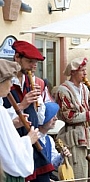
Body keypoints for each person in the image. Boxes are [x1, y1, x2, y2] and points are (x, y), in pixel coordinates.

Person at [3, 41, 54, 182]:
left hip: (34, 142)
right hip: (14, 144)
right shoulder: (4, 81)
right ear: (17, 57)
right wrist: (23, 104)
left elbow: (41, 118)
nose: (33, 66)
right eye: (29, 61)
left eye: (35, 63)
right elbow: (2, 116)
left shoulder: (36, 83)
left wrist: (39, 102)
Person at [55, 57, 90, 182]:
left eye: (85, 70)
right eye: (82, 70)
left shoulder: (85, 88)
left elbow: (88, 108)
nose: (85, 73)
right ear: (72, 72)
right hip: (73, 136)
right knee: (79, 174)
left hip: (88, 134)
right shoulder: (63, 90)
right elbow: (68, 116)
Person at [0, 59, 40, 182]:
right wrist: (29, 139)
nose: (11, 85)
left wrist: (12, 124)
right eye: (9, 81)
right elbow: (10, 152)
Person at [39, 102, 71, 180]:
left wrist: (62, 155)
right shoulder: (33, 140)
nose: (56, 118)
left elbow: (53, 163)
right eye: (52, 116)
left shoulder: (49, 139)